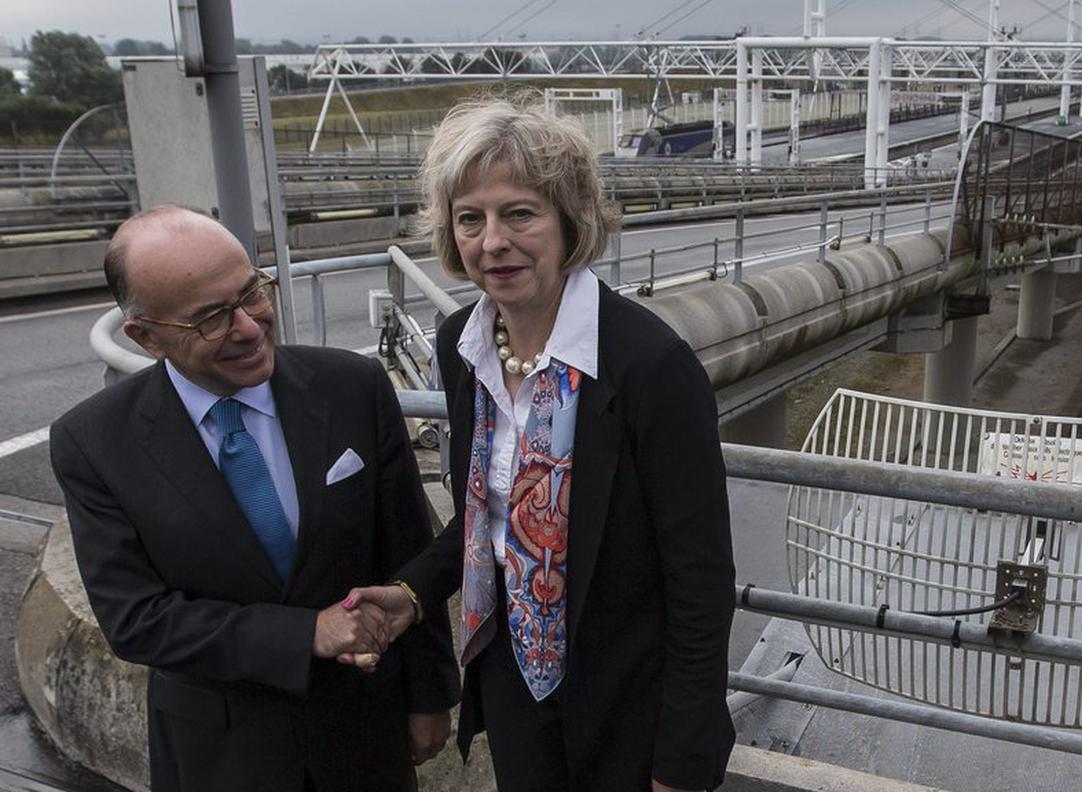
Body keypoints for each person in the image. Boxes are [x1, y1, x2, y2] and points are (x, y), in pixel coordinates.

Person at [341, 100, 737, 791]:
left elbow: (700, 585)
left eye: (519, 213)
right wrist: (414, 591)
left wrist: (682, 761)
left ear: (569, 220)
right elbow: (489, 517)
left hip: (626, 708)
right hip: (515, 687)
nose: (492, 241)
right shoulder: (462, 343)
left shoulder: (648, 366)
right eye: (470, 218)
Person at [49, 206, 460, 792]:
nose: (247, 326)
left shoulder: (354, 388)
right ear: (146, 336)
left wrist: (430, 697)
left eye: (251, 294)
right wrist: (303, 634)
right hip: (218, 755)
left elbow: (406, 548)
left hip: (363, 735)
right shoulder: (93, 442)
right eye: (210, 318)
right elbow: (135, 619)